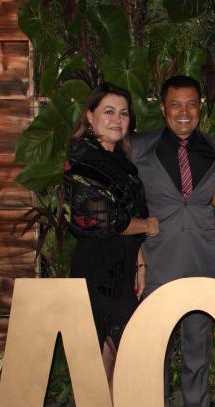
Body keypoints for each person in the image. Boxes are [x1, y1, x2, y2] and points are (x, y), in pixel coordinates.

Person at [131, 75, 215, 407]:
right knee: (152, 345)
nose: (183, 112)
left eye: (191, 104)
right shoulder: (138, 148)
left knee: (196, 347)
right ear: (163, 108)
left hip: (201, 262)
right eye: (176, 104)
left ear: (201, 108)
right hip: (154, 261)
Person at [64, 83, 159, 385]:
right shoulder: (84, 162)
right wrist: (147, 226)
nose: (117, 119)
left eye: (123, 113)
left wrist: (139, 262)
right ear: (90, 117)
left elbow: (128, 219)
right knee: (117, 356)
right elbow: (107, 220)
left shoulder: (122, 162)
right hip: (96, 270)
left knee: (113, 355)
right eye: (108, 112)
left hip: (121, 266)